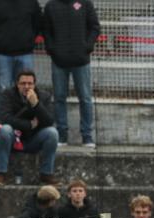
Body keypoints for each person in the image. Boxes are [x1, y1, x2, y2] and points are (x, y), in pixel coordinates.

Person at [43, 0, 100, 147]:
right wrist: (52, 49)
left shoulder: (85, 3)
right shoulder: (51, 6)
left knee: (85, 98)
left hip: (81, 61)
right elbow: (46, 30)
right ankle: (62, 136)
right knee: (59, 98)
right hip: (58, 61)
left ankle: (87, 136)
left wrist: (87, 47)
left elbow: (94, 27)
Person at [0, 70, 59, 186]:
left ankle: (46, 174)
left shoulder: (44, 96)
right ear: (17, 84)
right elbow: (4, 119)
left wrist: (36, 104)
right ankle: (0, 173)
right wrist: (29, 125)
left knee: (52, 133)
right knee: (5, 129)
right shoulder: (7, 95)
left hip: (33, 139)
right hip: (12, 139)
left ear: (34, 84)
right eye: (23, 83)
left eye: (30, 83)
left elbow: (49, 121)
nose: (26, 86)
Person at [0, 0, 42, 95]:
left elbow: (38, 23)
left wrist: (29, 39)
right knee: (4, 93)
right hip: (1, 55)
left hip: (25, 54)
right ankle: (4, 111)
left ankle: (25, 110)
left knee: (27, 92)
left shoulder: (31, 2)